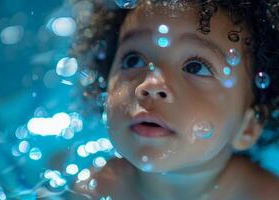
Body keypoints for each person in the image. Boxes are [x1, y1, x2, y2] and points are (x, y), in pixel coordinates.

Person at [69, 0, 279, 199]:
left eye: (195, 67)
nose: (151, 85)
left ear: (248, 126)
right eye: (133, 60)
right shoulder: (93, 188)